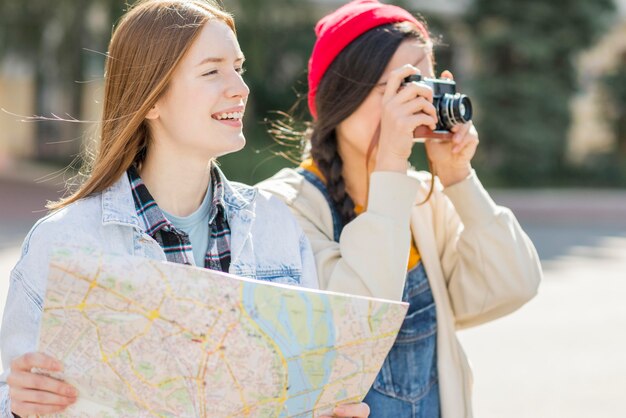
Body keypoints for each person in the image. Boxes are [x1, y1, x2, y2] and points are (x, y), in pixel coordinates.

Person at [0, 1, 370, 417]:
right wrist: (19, 405)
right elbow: (9, 390)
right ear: (151, 100)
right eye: (212, 71)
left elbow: (305, 387)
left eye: (238, 67)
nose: (240, 88)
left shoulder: (275, 225)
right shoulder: (65, 240)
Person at [258, 1, 543, 417]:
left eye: (425, 87)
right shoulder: (282, 206)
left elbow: (514, 285)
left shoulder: (424, 199)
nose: (418, 103)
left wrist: (459, 179)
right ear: (343, 94)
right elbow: (355, 325)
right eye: (402, 87)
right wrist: (390, 164)